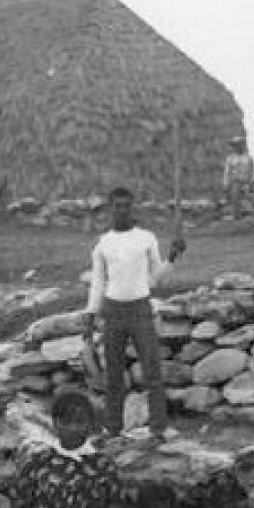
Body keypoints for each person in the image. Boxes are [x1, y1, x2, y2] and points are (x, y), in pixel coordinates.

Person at [84, 186, 185, 439]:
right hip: (113, 312)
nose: (121, 211)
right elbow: (98, 283)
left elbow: (155, 279)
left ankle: (158, 428)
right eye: (116, 206)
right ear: (110, 209)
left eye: (126, 206)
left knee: (152, 372)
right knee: (114, 376)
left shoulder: (146, 239)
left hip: (140, 309)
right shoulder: (103, 244)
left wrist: (172, 258)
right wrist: (90, 315)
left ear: (133, 208)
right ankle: (113, 428)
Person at [222, 135, 254, 219]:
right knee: (235, 200)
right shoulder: (230, 158)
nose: (236, 147)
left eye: (238, 145)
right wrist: (226, 185)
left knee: (247, 200)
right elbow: (227, 172)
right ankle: (236, 217)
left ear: (242, 145)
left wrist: (252, 182)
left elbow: (252, 171)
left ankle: (248, 216)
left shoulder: (248, 158)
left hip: (246, 182)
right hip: (235, 182)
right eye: (234, 145)